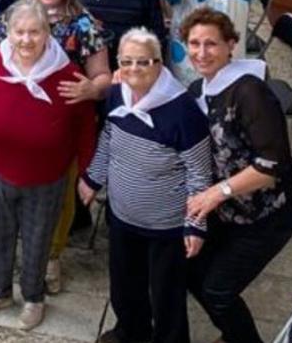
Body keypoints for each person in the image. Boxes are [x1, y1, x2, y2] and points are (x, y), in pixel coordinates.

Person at [0, 0, 112, 292]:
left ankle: (50, 258)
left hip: (62, 125)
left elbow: (103, 77)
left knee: (59, 196)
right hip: (14, 121)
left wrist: (91, 88)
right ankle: (3, 258)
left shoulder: (83, 24)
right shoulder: (12, 17)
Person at [0, 0, 96, 331]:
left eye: (35, 32)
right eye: (19, 32)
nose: (26, 40)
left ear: (47, 33)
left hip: (47, 175)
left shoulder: (68, 73)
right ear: (8, 32)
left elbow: (85, 126)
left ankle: (33, 298)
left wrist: (86, 173)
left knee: (39, 239)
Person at [80, 28, 212, 343]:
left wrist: (195, 225)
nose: (134, 70)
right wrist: (92, 178)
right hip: (123, 215)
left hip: (165, 225)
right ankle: (130, 331)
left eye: (144, 62)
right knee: (125, 285)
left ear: (159, 64)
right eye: (127, 62)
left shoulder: (183, 112)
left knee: (166, 295)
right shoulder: (115, 94)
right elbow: (108, 139)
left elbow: (199, 172)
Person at [181, 8, 292, 343]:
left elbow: (272, 166)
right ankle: (232, 332)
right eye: (194, 44)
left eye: (211, 44)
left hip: (268, 216)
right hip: (230, 211)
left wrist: (214, 194)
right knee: (190, 269)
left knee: (219, 290)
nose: (201, 53)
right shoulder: (197, 89)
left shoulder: (250, 93)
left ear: (231, 45)